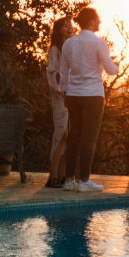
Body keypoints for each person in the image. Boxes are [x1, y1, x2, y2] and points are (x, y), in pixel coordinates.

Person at [59, 7, 118, 192]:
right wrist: (114, 64)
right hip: (93, 95)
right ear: (91, 21)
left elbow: (63, 71)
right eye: (98, 18)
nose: (100, 21)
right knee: (88, 138)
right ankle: (84, 180)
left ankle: (69, 180)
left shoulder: (69, 43)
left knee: (74, 136)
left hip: (74, 95)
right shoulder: (99, 43)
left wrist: (64, 92)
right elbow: (110, 70)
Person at [45, 17, 74, 188]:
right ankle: (52, 176)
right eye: (65, 25)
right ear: (58, 30)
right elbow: (52, 73)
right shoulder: (55, 50)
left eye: (70, 24)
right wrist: (61, 91)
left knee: (67, 136)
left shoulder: (69, 49)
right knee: (61, 133)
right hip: (60, 97)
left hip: (70, 96)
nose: (69, 27)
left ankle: (62, 175)